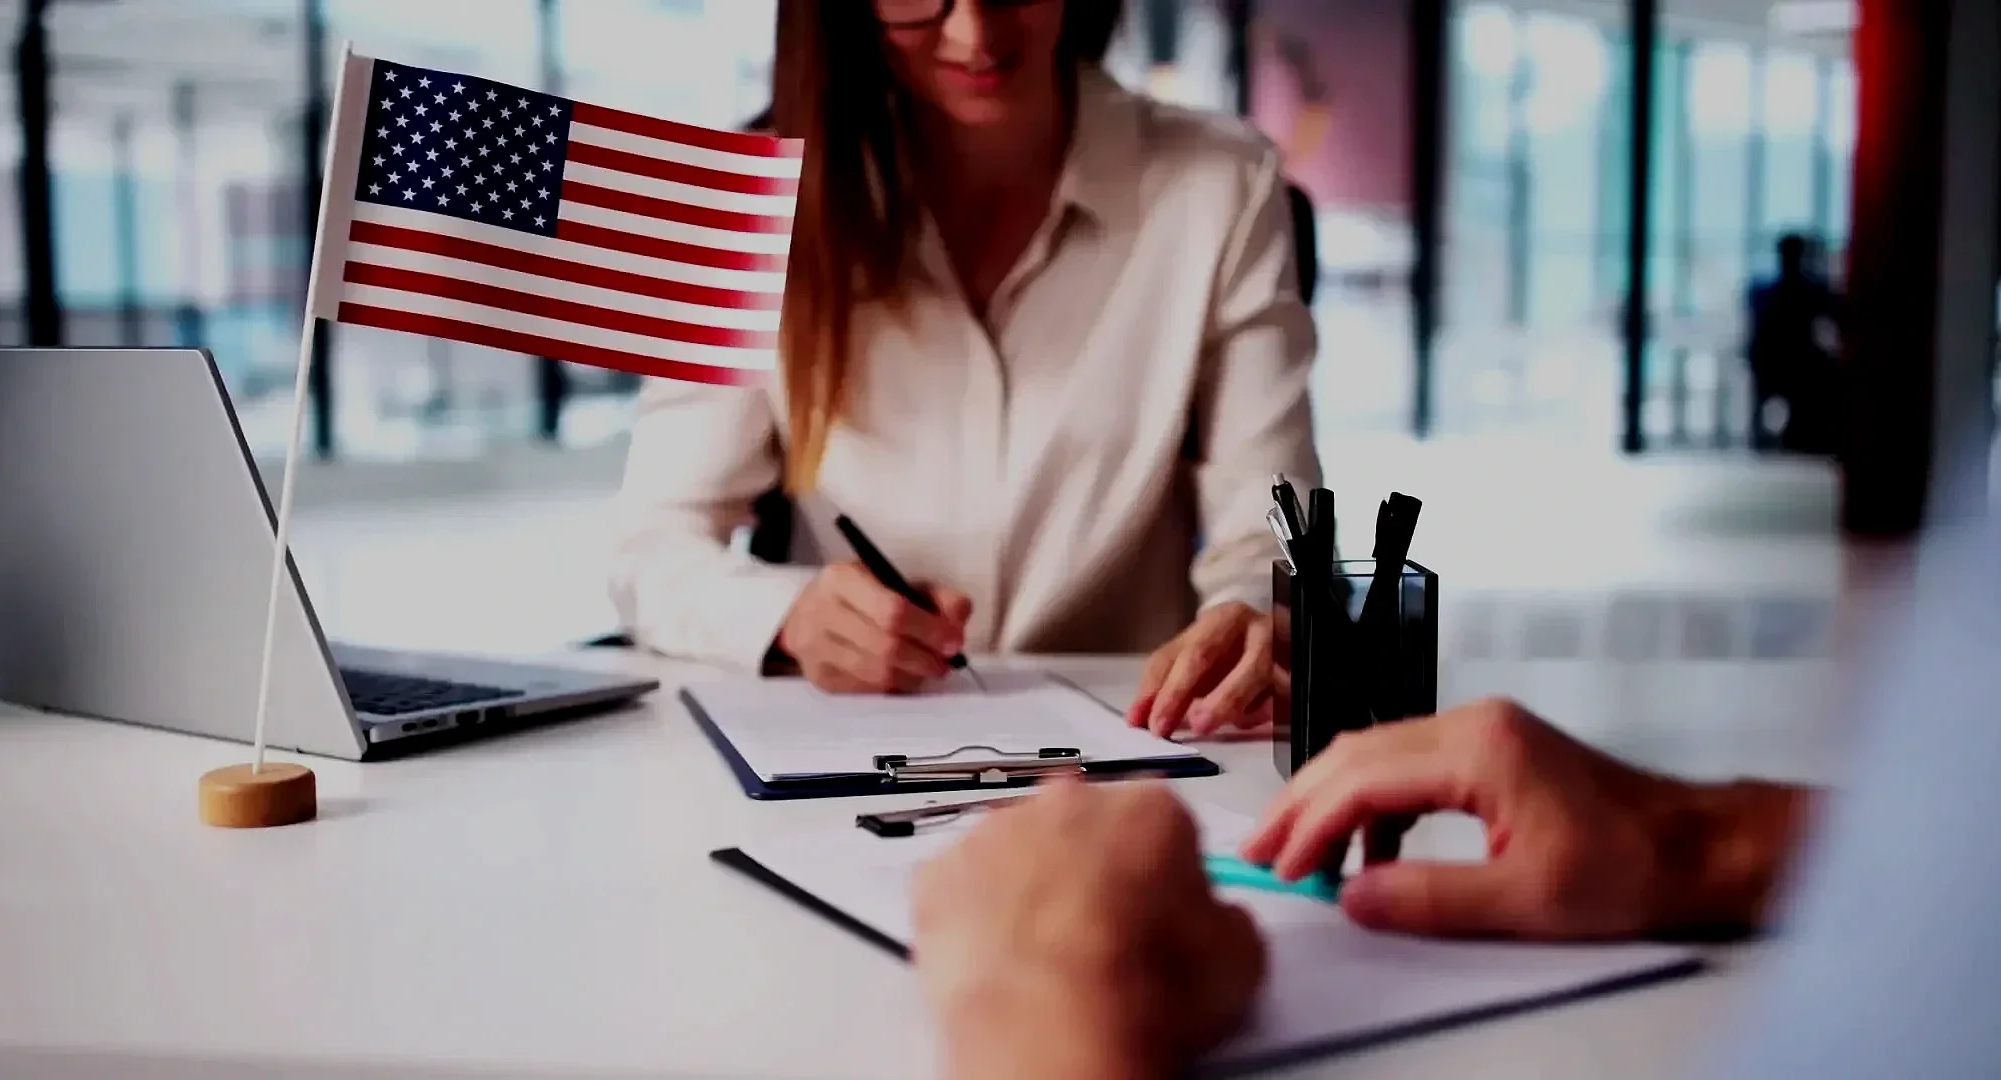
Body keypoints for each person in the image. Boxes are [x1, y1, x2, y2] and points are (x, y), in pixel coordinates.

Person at [913, 504, 2001, 1077]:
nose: (968, 57)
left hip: (1156, 715)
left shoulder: (1205, 179)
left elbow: (1259, 527)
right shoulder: (758, 168)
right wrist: (1707, 838)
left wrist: (1043, 1013)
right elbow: (723, 538)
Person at [608, 0, 1321, 735]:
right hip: (851, 751)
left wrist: (1247, 614)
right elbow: (653, 550)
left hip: (1134, 748)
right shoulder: (751, 199)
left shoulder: (1220, 185)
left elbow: (1269, 527)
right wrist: (786, 617)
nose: (975, 34)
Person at [1745, 233, 1841, 453]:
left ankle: (1789, 435)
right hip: (1795, 365)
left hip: (1773, 363)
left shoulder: (1764, 291)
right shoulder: (1810, 291)